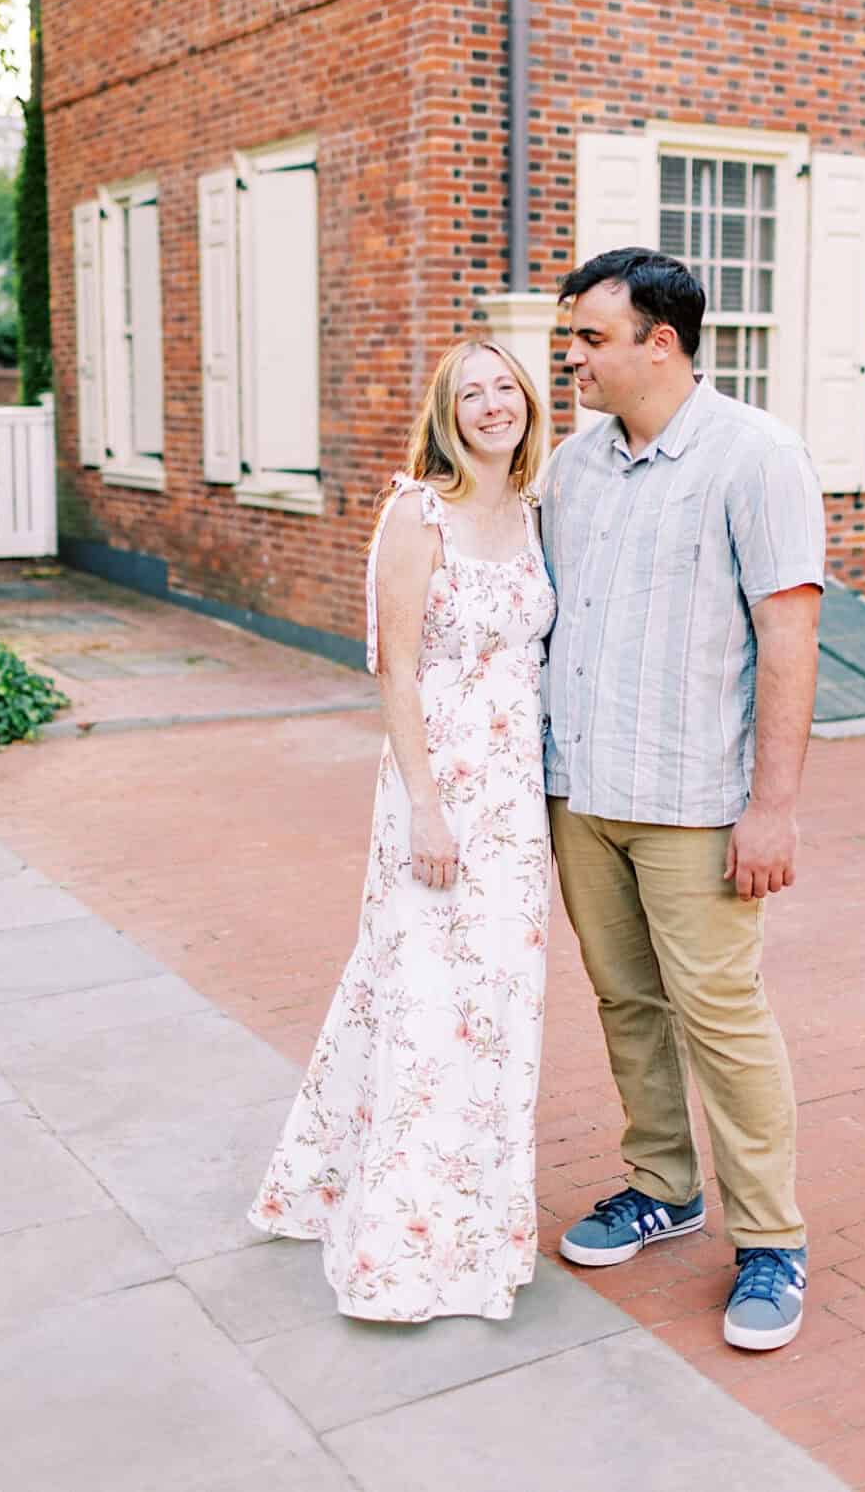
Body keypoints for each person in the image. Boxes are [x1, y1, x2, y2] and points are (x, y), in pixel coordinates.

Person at [542, 247, 824, 1353]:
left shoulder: (755, 459)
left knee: (721, 1018)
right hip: (584, 788)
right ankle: (663, 1183)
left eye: (589, 339)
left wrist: (773, 806)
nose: (570, 358)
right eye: (569, 338)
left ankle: (771, 1239)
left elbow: (789, 637)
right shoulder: (574, 464)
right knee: (624, 1000)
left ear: (661, 342)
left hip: (695, 798)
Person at [248, 340, 555, 1322]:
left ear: (528, 400)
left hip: (516, 809)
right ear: (447, 413)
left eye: (504, 386)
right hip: (437, 795)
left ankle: (477, 1211)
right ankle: (409, 1235)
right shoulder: (414, 514)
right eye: (471, 393)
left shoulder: (538, 512)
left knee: (497, 1011)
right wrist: (426, 806)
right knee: (422, 997)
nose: (492, 403)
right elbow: (395, 670)